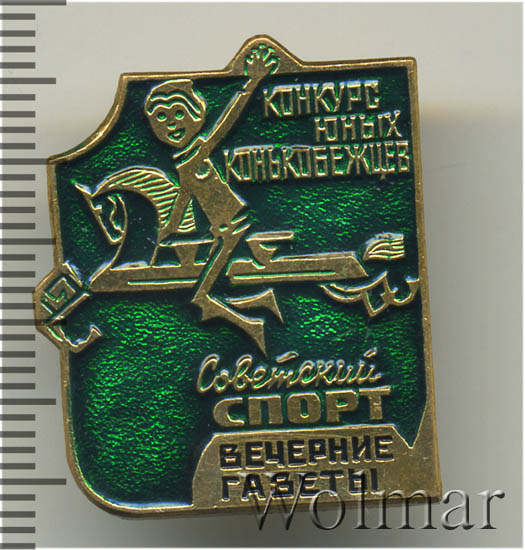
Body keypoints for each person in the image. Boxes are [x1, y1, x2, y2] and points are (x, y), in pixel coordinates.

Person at [144, 44, 281, 354]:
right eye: (161, 117)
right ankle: (262, 300)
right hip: (223, 227)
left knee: (201, 297)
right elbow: (185, 195)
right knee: (203, 294)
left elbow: (225, 124)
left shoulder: (199, 150)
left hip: (231, 225)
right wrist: (170, 228)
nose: (171, 123)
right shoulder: (183, 160)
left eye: (178, 113)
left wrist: (252, 82)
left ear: (197, 115)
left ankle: (254, 326)